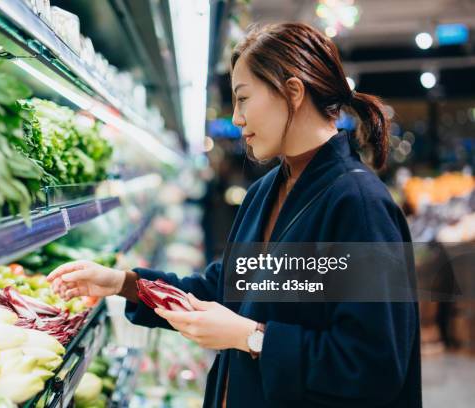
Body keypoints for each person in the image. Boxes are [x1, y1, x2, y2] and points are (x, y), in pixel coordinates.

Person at [47, 23, 422, 408]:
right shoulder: (266, 191)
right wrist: (123, 283)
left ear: (292, 93)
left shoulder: (358, 204)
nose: (237, 119)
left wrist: (251, 337)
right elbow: (223, 289)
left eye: (243, 99)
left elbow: (373, 366)